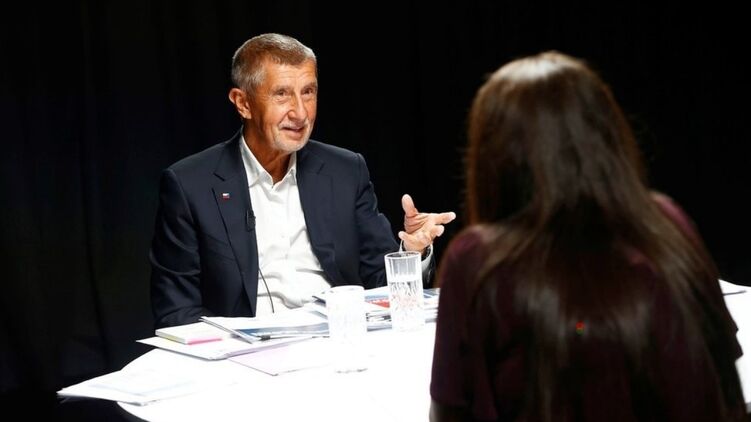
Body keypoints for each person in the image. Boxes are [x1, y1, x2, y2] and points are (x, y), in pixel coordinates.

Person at [429, 51, 746, 421]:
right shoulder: (666, 223)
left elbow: (450, 411)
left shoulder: (478, 260)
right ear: (606, 135)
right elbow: (725, 378)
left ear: (492, 156)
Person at [150, 33, 455, 329]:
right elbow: (177, 314)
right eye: (282, 94)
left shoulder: (346, 170)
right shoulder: (190, 185)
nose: (300, 113)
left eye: (308, 92)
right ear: (242, 103)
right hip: (247, 353)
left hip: (340, 337)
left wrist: (411, 253)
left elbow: (380, 285)